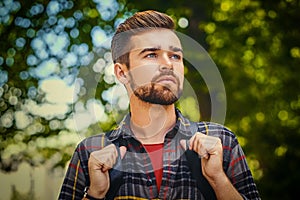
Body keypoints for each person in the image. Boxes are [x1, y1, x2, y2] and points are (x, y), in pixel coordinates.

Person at [58, 10, 260, 200]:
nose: (168, 64)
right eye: (151, 55)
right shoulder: (90, 152)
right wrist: (94, 194)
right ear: (122, 72)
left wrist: (218, 179)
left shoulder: (221, 141)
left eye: (175, 56)